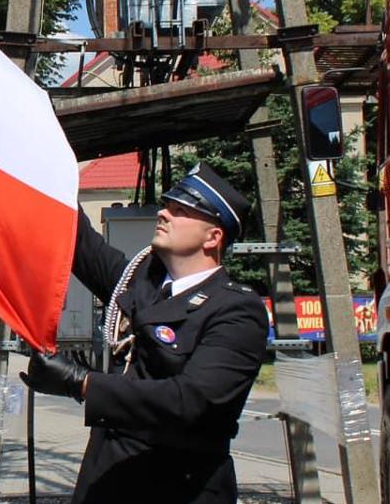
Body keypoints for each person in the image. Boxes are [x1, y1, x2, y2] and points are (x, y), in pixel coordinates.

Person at [21, 162, 269, 504]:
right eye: (167, 206)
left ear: (213, 237)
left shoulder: (237, 310)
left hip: (178, 487)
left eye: (181, 211)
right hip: (109, 479)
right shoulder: (141, 284)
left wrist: (82, 382)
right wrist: (46, 169)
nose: (165, 214)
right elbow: (79, 243)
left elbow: (192, 400)